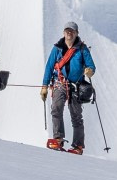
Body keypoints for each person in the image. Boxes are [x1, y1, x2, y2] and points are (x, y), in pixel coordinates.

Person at [40, 21, 96, 154]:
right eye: (67, 30)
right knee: (56, 108)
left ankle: (78, 146)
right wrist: (44, 86)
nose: (69, 33)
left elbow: (91, 66)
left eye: (72, 31)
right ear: (63, 32)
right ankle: (58, 139)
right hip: (60, 82)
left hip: (76, 86)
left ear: (76, 33)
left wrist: (89, 71)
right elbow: (49, 67)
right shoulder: (57, 48)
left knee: (76, 115)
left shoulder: (82, 49)